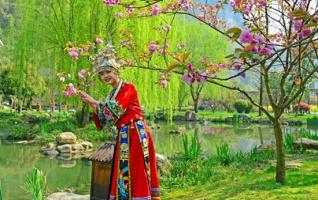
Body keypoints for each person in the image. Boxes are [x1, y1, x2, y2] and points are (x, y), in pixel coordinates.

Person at [79, 43, 160, 200]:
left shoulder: (128, 88)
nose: (105, 76)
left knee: (136, 171)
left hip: (135, 132)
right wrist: (91, 103)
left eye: (108, 71)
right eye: (102, 74)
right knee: (124, 171)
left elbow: (115, 109)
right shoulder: (111, 94)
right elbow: (104, 120)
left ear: (117, 71)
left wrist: (94, 102)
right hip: (124, 134)